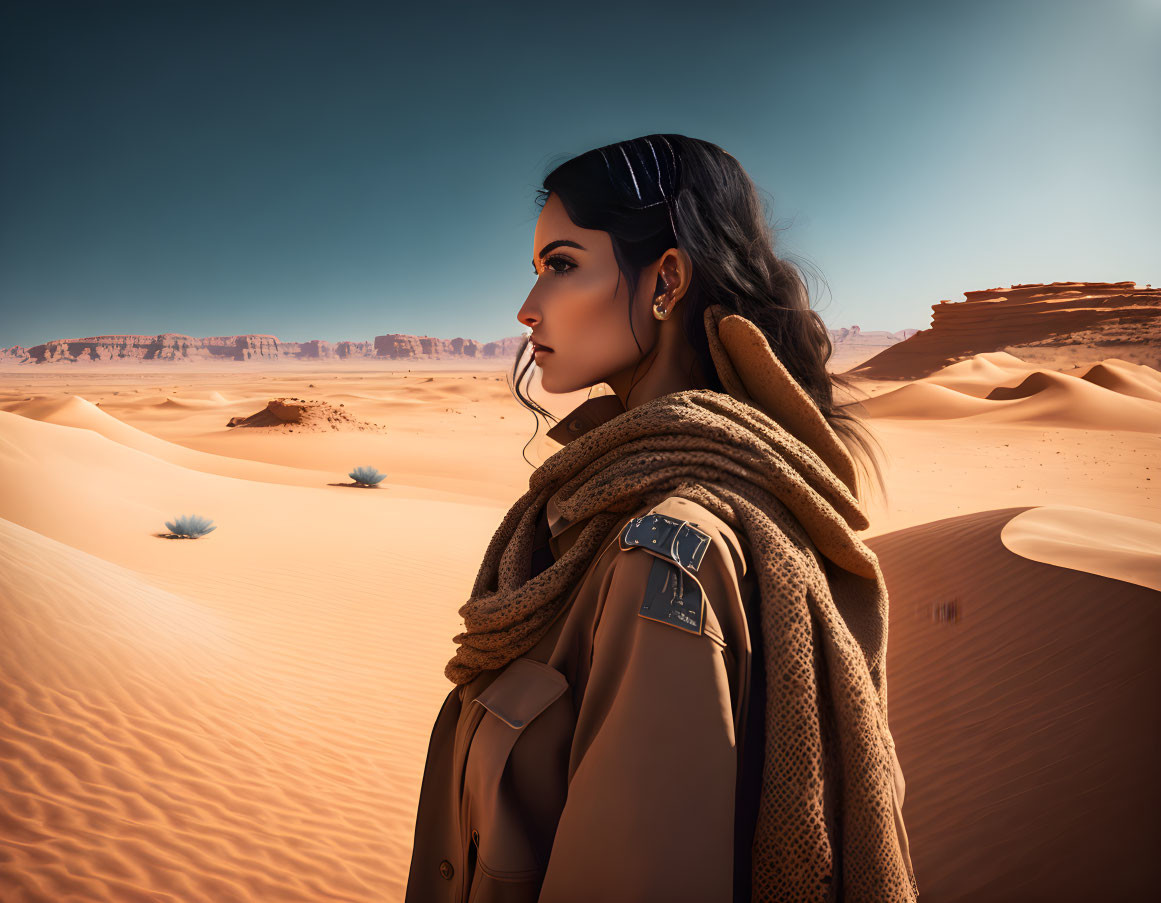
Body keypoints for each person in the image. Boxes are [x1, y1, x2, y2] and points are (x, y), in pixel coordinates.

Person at [403, 134, 918, 902]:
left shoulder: (663, 556)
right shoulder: (605, 508)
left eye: (562, 265)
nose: (526, 307)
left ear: (665, 280)